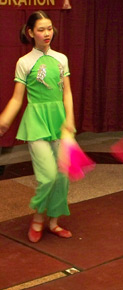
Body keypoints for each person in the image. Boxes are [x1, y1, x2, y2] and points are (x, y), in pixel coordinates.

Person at [0, 11, 76, 242]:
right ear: (30, 32)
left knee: (62, 176)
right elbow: (16, 98)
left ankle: (53, 222)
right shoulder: (24, 62)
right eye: (41, 29)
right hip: (36, 121)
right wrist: (4, 120)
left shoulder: (61, 58)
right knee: (48, 177)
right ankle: (38, 217)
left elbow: (67, 92)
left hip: (59, 121)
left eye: (50, 28)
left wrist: (70, 119)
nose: (47, 33)